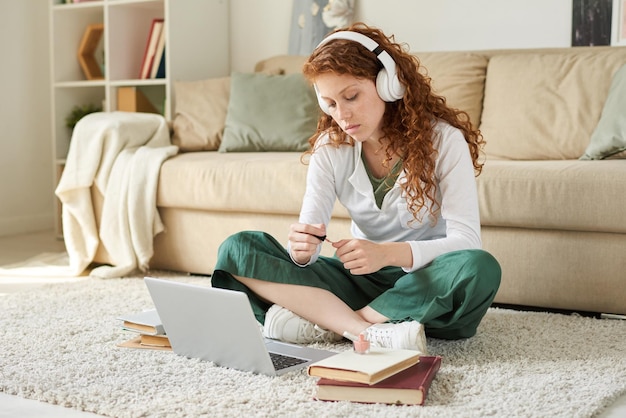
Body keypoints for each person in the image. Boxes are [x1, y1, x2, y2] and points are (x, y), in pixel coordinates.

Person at [212, 23, 501, 353]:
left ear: (389, 85)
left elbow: (466, 241)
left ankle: (331, 322)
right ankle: (365, 329)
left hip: (428, 280)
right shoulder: (330, 148)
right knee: (237, 249)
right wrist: (302, 250)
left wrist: (385, 254)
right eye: (331, 104)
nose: (343, 115)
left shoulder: (444, 141)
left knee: (479, 268)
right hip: (362, 282)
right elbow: (309, 237)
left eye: (351, 96)